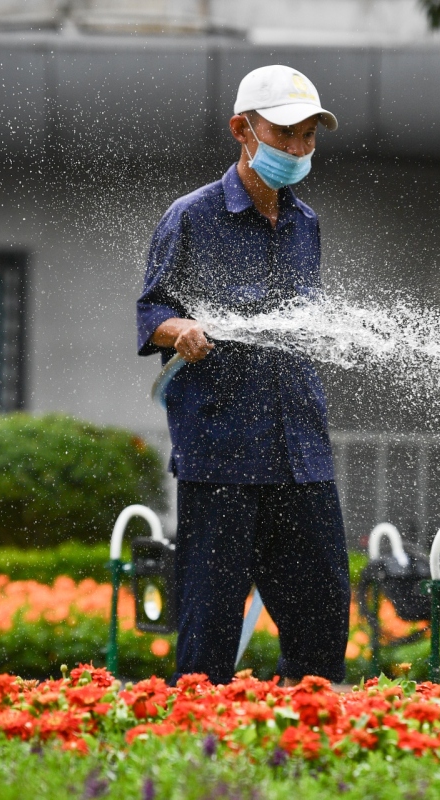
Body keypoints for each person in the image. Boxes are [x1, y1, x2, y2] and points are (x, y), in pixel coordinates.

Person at [136, 65, 350, 686]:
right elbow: (152, 310)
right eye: (286, 134)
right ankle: (200, 756)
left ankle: (306, 739)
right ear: (243, 129)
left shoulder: (306, 224)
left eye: (309, 136)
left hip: (300, 450)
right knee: (208, 630)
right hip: (223, 451)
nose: (300, 149)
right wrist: (182, 330)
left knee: (323, 619)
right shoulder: (192, 216)